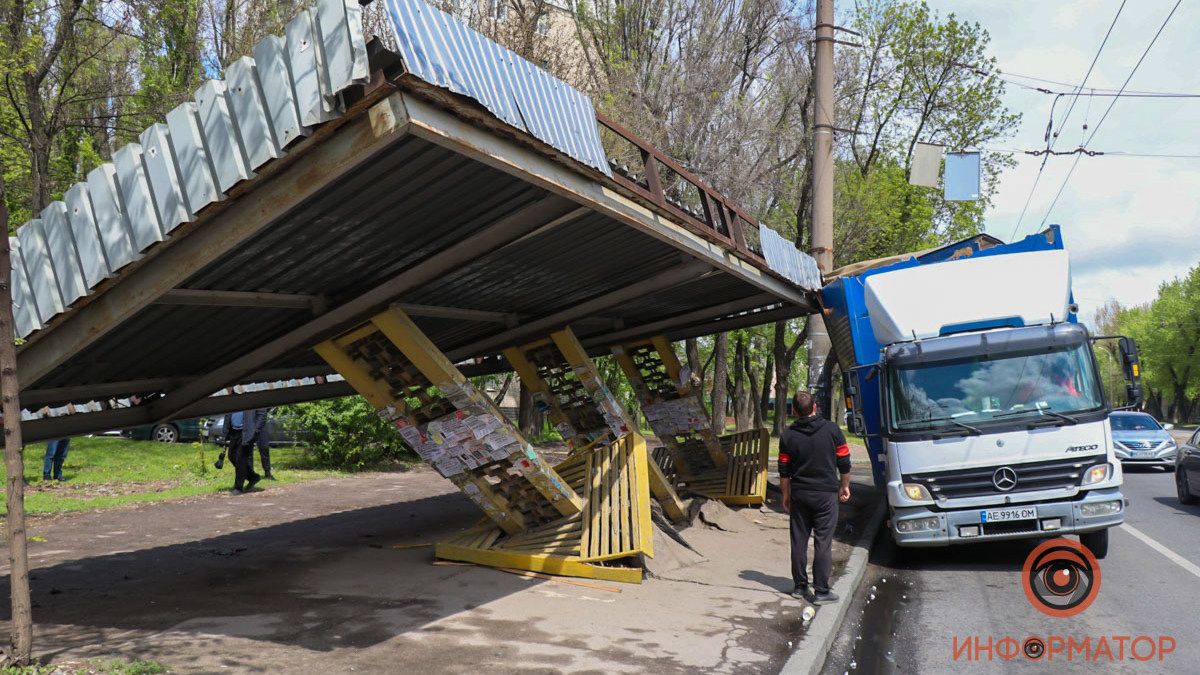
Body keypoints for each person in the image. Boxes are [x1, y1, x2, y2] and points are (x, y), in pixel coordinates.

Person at [779, 391, 851, 605]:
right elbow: (844, 461)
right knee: (823, 542)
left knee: (799, 541)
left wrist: (786, 495)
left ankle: (800, 587)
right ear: (815, 407)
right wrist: (844, 486)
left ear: (794, 411)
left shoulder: (788, 435)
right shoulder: (832, 430)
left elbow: (784, 470)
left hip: (800, 494)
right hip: (826, 495)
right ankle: (821, 591)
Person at [223, 410, 265, 494]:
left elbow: (262, 414)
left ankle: (238, 487)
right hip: (234, 432)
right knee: (231, 456)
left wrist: (255, 430)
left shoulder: (252, 397)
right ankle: (253, 477)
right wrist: (226, 429)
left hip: (247, 432)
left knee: (240, 459)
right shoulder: (234, 397)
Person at [252, 408, 275, 480]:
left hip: (261, 426)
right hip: (249, 425)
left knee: (264, 448)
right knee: (247, 451)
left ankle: (267, 472)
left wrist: (256, 429)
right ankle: (250, 474)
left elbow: (262, 415)